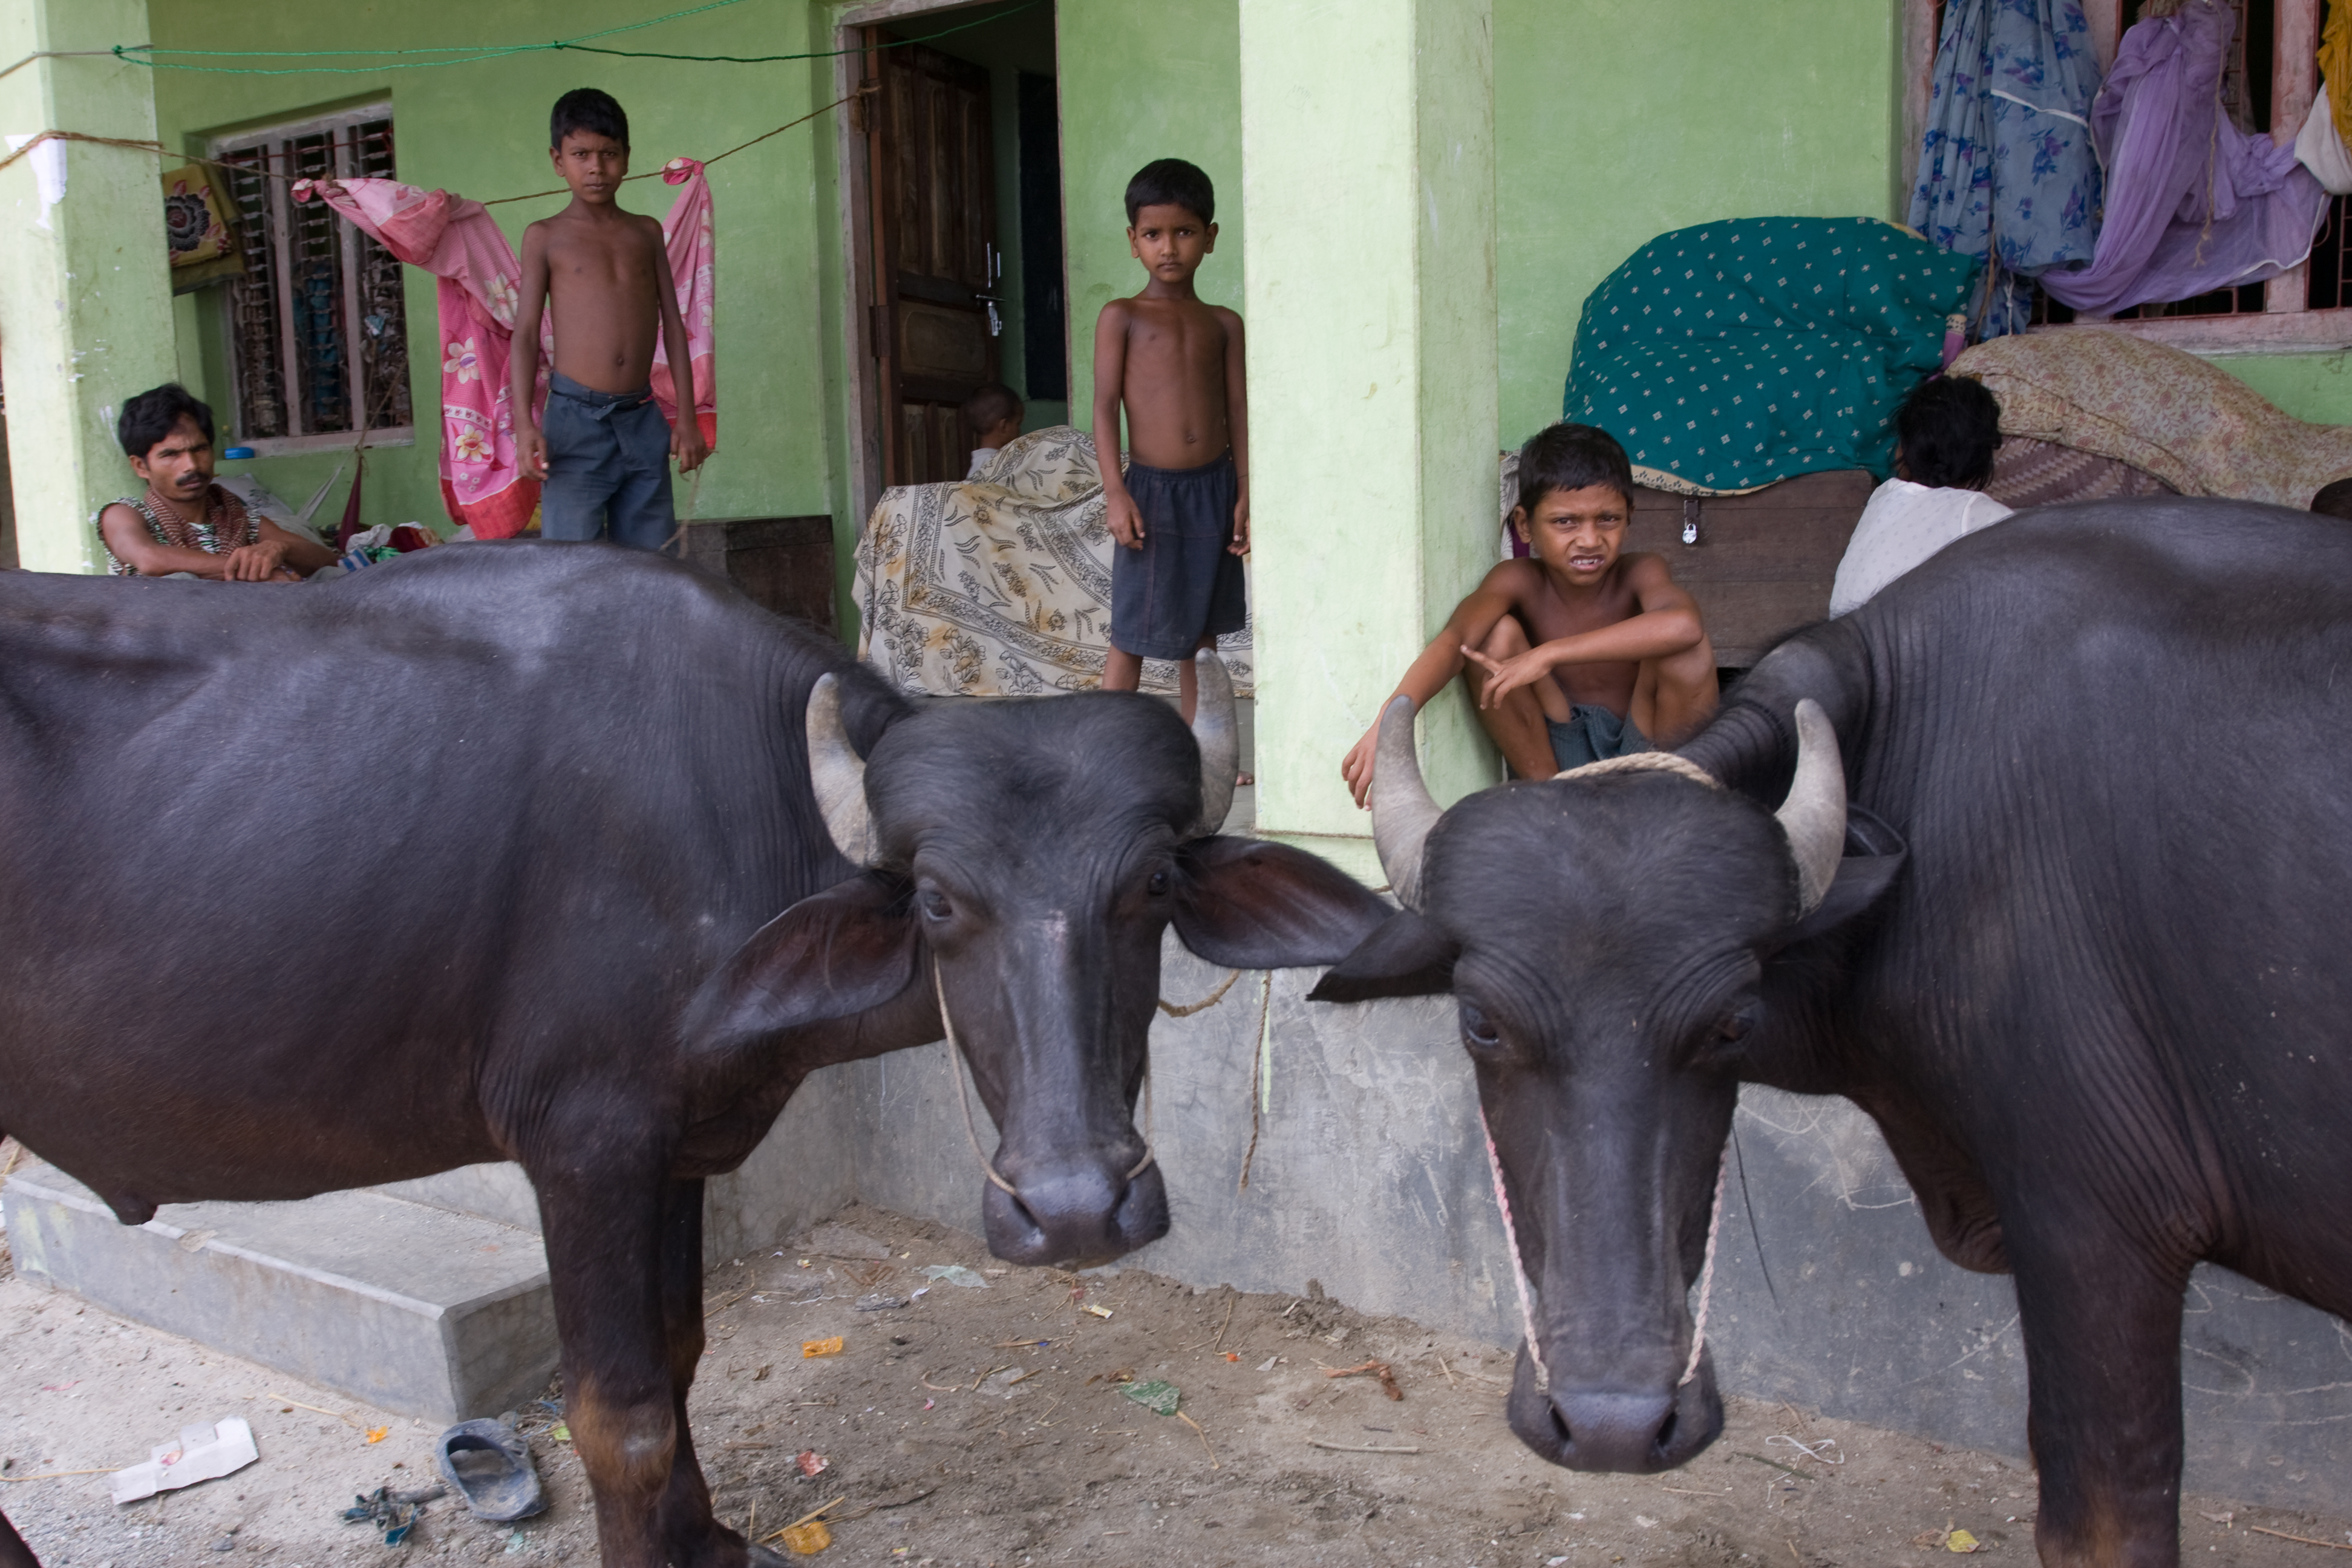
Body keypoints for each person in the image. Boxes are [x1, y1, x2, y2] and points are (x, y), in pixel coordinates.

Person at [1341, 423, 1717, 803]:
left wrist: (1548, 654)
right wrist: (1390, 724)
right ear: (1525, 525)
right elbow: (1455, 642)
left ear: (1629, 517)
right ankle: (1549, 808)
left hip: (1646, 752)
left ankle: (1675, 805)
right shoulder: (1518, 580)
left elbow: (1684, 626)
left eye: (1608, 519)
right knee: (1494, 638)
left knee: (1687, 652)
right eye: (1565, 522)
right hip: (1559, 754)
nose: (1590, 539)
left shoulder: (1641, 571)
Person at [511, 88, 708, 552]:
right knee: (571, 568)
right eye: (581, 155)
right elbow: (525, 335)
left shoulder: (646, 232)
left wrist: (687, 417)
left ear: (627, 158)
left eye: (609, 154)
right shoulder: (545, 237)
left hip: (642, 421)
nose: (596, 167)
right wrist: (525, 425)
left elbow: (674, 325)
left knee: (651, 565)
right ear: (558, 161)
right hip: (574, 426)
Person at [1093, 157, 1249, 726]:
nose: (1169, 248)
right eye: (1153, 234)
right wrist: (1116, 492)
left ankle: (1203, 751)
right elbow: (1104, 407)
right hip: (1152, 491)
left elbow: (1238, 411)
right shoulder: (1122, 316)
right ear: (1133, 241)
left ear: (1210, 237)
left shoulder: (1224, 323)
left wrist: (1245, 492)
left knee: (1201, 634)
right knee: (1132, 630)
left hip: (1214, 486)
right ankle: (1105, 748)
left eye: (1184, 232)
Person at [98, 385, 337, 581]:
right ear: (141, 466)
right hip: (173, 626)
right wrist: (254, 574)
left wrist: (279, 549)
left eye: (200, 449)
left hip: (244, 621)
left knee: (329, 578)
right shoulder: (125, 514)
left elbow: (328, 560)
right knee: (179, 581)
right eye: (171, 455)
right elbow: (149, 559)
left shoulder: (237, 517)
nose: (191, 465)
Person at [1828, 376, 2011, 616]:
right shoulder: (1974, 511)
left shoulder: (1882, 496)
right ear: (1983, 460)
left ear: (1902, 449)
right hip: (1900, 639)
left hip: (1843, 635)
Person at [962, 383, 1024, 479]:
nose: (1019, 431)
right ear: (1004, 427)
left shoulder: (978, 464)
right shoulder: (1001, 466)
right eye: (1018, 424)